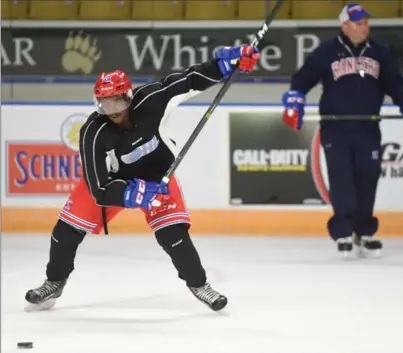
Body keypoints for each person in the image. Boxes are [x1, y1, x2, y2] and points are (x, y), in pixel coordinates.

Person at [25, 45, 260, 312]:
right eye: (104, 103)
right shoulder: (93, 130)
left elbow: (190, 79)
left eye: (117, 101)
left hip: (159, 178)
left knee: (173, 234)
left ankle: (199, 285)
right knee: (65, 230)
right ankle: (54, 282)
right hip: (115, 183)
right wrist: (130, 193)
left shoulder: (152, 98)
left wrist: (223, 66)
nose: (111, 109)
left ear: (129, 96)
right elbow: (98, 187)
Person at [281, 4, 403, 257]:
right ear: (344, 25)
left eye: (366, 23)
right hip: (336, 127)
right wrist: (295, 100)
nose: (363, 27)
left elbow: (394, 83)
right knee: (342, 180)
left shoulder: (379, 52)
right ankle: (343, 232)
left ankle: (365, 231)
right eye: (358, 23)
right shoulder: (327, 51)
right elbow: (303, 78)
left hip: (368, 126)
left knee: (367, 179)